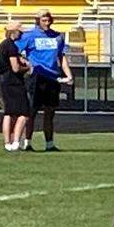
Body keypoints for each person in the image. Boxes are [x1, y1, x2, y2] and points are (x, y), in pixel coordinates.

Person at [18, 9, 73, 152]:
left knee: (50, 112)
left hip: (53, 77)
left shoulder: (57, 37)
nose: (46, 22)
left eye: (48, 20)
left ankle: (49, 143)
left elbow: (61, 56)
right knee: (32, 111)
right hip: (37, 77)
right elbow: (15, 52)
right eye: (43, 20)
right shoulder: (29, 36)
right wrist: (27, 64)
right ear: (37, 21)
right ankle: (27, 142)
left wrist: (68, 74)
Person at [0, 20, 31, 152]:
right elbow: (15, 68)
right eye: (20, 31)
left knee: (9, 112)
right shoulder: (11, 46)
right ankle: (16, 141)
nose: (21, 34)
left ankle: (7, 142)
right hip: (14, 82)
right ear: (14, 32)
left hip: (5, 81)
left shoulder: (2, 46)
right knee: (24, 113)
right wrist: (27, 67)